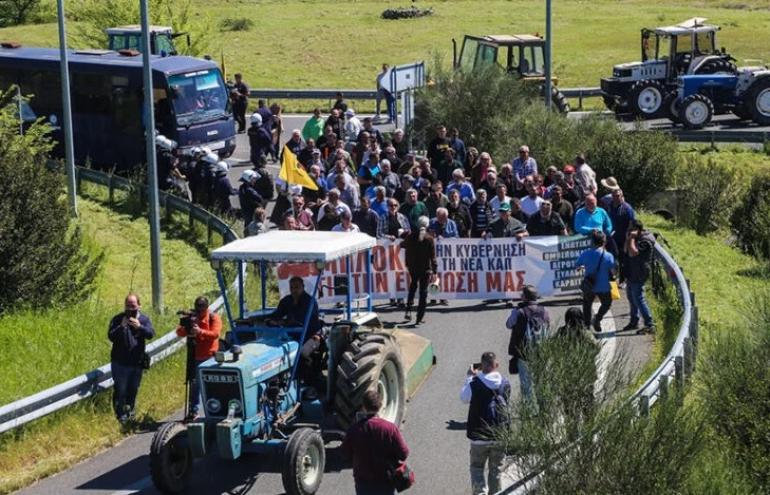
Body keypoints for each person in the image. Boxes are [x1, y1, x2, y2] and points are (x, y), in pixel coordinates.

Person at [459, 351, 511, 495]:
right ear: (497, 365)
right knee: (496, 471)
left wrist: (469, 377)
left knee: (477, 469)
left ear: (481, 366)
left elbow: (463, 398)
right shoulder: (505, 382)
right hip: (499, 434)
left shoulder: (475, 383)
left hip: (479, 437)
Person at [340, 389, 410, 495]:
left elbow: (345, 454)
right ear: (380, 405)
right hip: (386, 481)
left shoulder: (353, 430)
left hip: (363, 482)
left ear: (363, 406)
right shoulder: (390, 428)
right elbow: (404, 453)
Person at [108, 293, 155, 423]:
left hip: (136, 363)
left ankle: (131, 412)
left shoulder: (144, 319)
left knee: (133, 389)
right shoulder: (117, 319)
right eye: (128, 306)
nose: (130, 309)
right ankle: (120, 415)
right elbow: (111, 336)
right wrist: (121, 326)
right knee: (121, 389)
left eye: (133, 306)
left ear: (139, 306)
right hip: (120, 362)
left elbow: (151, 334)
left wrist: (139, 327)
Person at [176, 296, 222, 419]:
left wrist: (200, 331)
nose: (199, 310)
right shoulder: (192, 317)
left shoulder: (213, 317)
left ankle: (215, 409)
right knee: (194, 384)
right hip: (195, 355)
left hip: (210, 356)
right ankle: (193, 410)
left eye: (202, 308)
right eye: (198, 307)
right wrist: (187, 328)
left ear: (207, 307)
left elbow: (215, 334)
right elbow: (179, 332)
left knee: (210, 384)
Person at [506, 285, 550, 401]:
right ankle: (544, 409)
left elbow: (509, 324)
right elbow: (548, 326)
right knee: (541, 382)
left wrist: (514, 312)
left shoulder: (519, 312)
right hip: (541, 352)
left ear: (524, 297)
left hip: (524, 354)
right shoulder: (544, 310)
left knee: (526, 385)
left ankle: (530, 413)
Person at [576, 230, 616, 332]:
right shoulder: (608, 256)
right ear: (604, 242)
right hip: (604, 286)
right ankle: (597, 318)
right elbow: (613, 271)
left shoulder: (585, 254)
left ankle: (587, 326)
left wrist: (582, 267)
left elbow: (577, 265)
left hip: (590, 285)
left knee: (587, 304)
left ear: (592, 241)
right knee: (607, 303)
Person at [400, 216, 437, 325]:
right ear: (427, 225)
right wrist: (435, 271)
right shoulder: (429, 238)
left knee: (413, 286)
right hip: (425, 268)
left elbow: (402, 245)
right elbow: (433, 257)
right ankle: (419, 317)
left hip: (412, 267)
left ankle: (408, 309)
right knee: (423, 292)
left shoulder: (410, 236)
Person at [624, 219, 656, 334]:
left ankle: (649, 324)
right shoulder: (635, 238)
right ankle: (634, 321)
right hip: (632, 270)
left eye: (631, 229)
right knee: (631, 296)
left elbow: (633, 252)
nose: (629, 231)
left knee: (638, 298)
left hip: (640, 271)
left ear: (636, 230)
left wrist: (632, 238)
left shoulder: (645, 240)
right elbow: (626, 250)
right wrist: (628, 238)